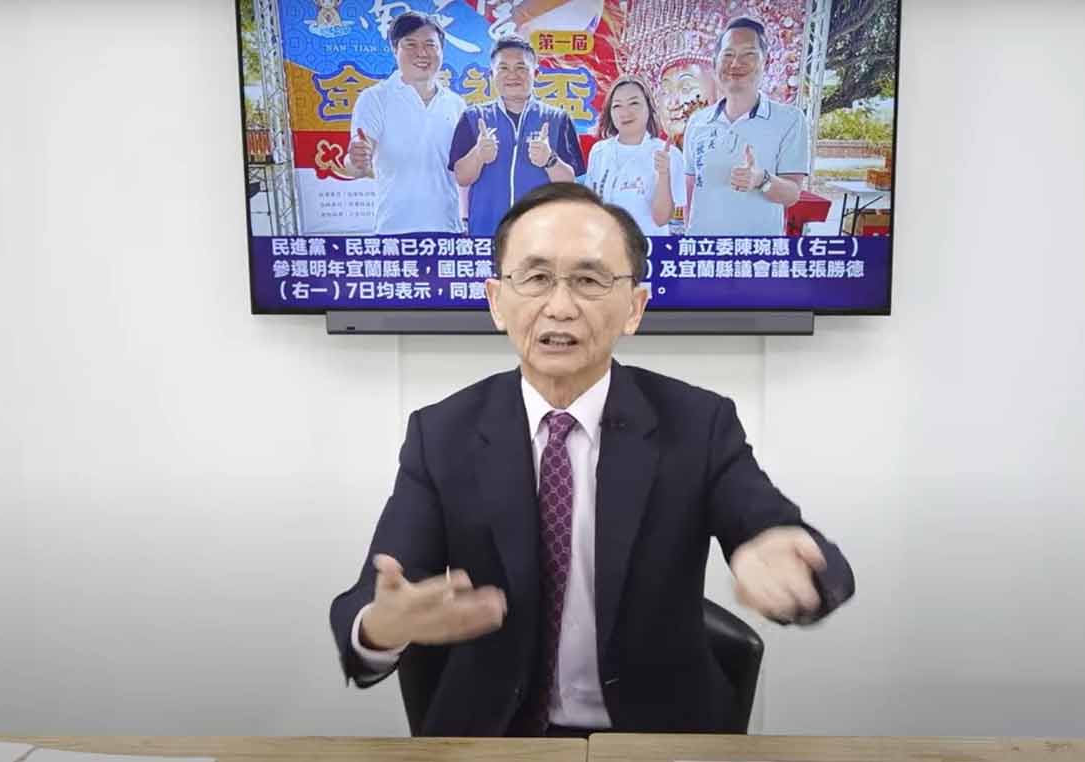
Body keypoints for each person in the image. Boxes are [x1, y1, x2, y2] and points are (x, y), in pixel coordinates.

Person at [328, 183, 855, 737]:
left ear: (634, 308)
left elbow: (789, 539)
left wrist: (799, 567)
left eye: (589, 280)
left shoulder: (698, 424)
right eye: (535, 278)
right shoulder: (441, 434)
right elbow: (371, 598)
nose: (559, 307)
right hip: (495, 739)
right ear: (496, 301)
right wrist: (381, 628)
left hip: (657, 740)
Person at [449, 35, 586, 236]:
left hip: (541, 235)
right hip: (487, 233)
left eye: (521, 67)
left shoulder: (558, 119)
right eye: (503, 68)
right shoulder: (472, 117)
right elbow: (461, 177)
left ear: (535, 73)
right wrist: (478, 155)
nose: (512, 75)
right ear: (492, 74)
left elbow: (569, 185)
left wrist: (549, 160)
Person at [683, 17, 808, 236]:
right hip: (703, 249)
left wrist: (761, 180)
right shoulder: (697, 122)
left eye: (748, 54)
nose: (735, 64)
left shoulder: (790, 120)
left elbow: (792, 194)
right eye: (728, 54)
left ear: (766, 62)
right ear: (715, 63)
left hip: (755, 251)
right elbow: (691, 188)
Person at [343, 12, 466, 234]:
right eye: (410, 44)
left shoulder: (456, 104)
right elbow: (355, 166)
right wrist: (356, 159)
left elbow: (464, 171)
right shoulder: (375, 98)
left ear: (441, 50)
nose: (422, 53)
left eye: (430, 45)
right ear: (394, 49)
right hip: (394, 230)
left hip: (448, 229)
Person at [584, 75, 686, 235]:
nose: (625, 112)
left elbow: (661, 219)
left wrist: (663, 174)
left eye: (634, 103)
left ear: (649, 108)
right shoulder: (599, 152)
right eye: (617, 106)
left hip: (647, 247)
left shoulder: (669, 155)